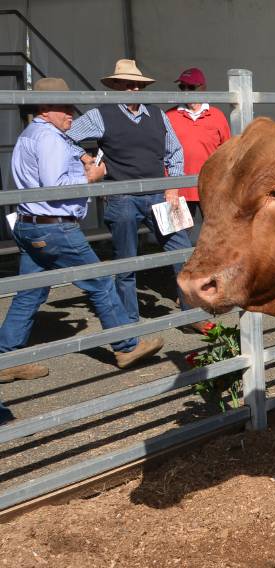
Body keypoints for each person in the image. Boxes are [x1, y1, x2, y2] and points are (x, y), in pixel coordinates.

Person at [0, 78, 164, 415]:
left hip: (32, 225)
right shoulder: (48, 138)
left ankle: (7, 356)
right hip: (56, 227)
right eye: (65, 108)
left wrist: (81, 156)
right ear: (45, 109)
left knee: (30, 291)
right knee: (101, 282)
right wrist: (90, 176)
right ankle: (126, 346)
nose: (72, 115)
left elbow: (61, 154)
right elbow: (56, 185)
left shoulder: (33, 133)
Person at [66, 59, 200, 329]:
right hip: (122, 197)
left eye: (138, 85)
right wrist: (85, 158)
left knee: (183, 252)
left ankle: (192, 313)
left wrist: (173, 185)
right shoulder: (99, 115)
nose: (134, 90)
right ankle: (130, 323)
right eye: (128, 84)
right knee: (126, 262)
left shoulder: (157, 115)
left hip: (160, 194)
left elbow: (175, 151)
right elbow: (65, 137)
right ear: (115, 86)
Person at [164, 67, 231, 231]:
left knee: (217, 233)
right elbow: (162, 153)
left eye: (191, 87)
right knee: (178, 236)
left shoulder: (217, 116)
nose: (186, 91)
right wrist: (168, 187)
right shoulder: (169, 116)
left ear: (203, 88)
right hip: (178, 190)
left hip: (211, 188)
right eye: (182, 87)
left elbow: (227, 152)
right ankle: (182, 258)